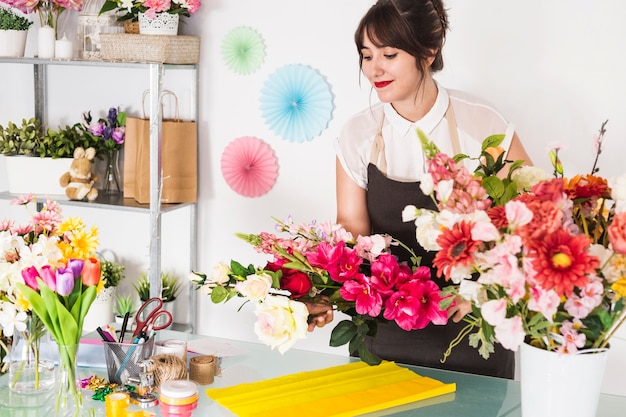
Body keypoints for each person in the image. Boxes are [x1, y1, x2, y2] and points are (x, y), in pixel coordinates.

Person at [309, 0, 532, 380]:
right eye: (366, 55)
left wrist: (485, 291)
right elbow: (350, 225)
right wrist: (324, 291)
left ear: (427, 53)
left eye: (389, 54)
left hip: (469, 326)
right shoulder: (358, 134)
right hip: (383, 329)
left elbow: (528, 221)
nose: (374, 69)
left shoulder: (483, 123)